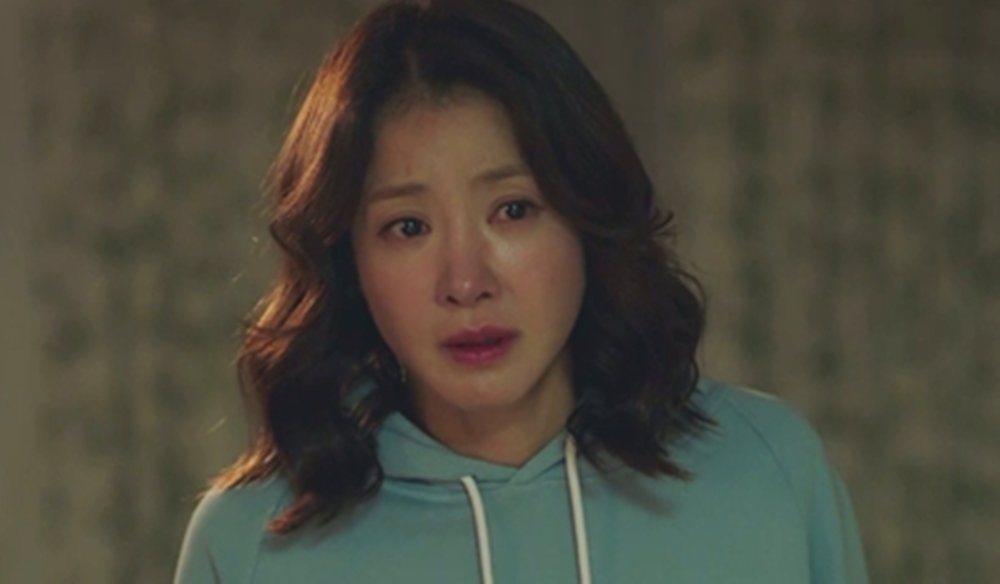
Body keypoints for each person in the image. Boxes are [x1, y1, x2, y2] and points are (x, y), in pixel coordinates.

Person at [173, 0, 868, 582]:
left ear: (586, 216)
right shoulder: (251, 545)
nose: (466, 283)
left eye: (513, 210)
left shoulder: (766, 469)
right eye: (408, 227)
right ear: (347, 259)